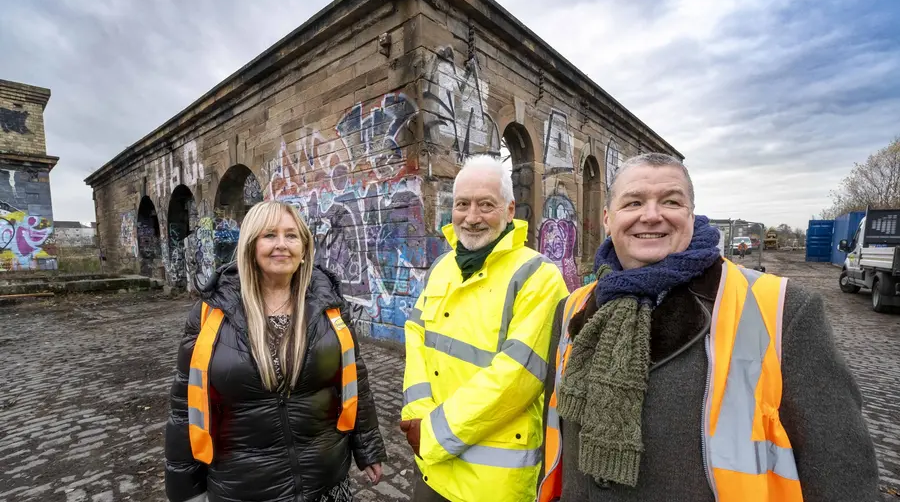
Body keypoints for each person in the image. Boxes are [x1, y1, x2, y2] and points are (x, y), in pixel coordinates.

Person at [538, 153, 879, 502]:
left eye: (670, 201)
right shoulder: (574, 308)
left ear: (690, 214)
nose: (652, 215)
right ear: (608, 219)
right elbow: (555, 438)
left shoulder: (781, 308)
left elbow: (840, 468)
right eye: (634, 202)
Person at [165, 201, 386, 502]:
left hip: (325, 483)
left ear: (305, 248)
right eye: (269, 235)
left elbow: (354, 379)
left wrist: (368, 447)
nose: (281, 245)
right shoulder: (210, 314)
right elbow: (184, 407)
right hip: (244, 488)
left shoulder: (329, 306)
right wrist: (185, 490)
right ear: (251, 246)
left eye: (291, 236)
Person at [400, 155, 569, 502]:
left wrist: (432, 432)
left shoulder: (538, 277)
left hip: (493, 483)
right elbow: (416, 336)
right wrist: (417, 413)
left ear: (510, 211)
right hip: (433, 469)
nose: (472, 217)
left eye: (485, 205)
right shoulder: (442, 266)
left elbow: (516, 378)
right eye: (462, 204)